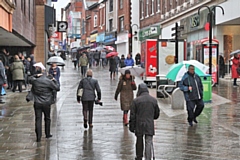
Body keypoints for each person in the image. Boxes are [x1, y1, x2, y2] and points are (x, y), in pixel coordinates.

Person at [29, 65, 60, 142]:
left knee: (38, 119)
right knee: (47, 118)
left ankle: (38, 137)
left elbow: (29, 79)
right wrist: (54, 80)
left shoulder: (35, 81)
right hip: (46, 102)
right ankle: (47, 133)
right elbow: (57, 88)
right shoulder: (49, 82)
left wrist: (36, 75)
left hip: (37, 102)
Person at [129, 83, 160, 160]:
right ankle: (148, 157)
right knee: (148, 141)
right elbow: (156, 114)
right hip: (149, 123)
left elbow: (132, 115)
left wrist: (132, 126)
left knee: (139, 141)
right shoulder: (153, 100)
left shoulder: (136, 101)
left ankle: (139, 156)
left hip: (139, 124)